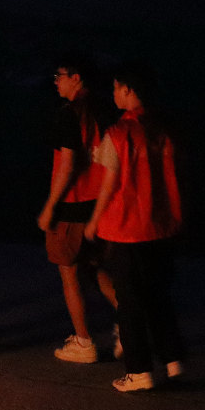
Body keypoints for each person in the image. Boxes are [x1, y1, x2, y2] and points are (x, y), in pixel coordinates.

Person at [85, 61, 185, 392]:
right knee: (157, 294)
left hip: (126, 227)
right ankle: (172, 358)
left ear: (128, 90)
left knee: (128, 301)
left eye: (116, 87)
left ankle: (139, 370)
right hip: (160, 224)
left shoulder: (120, 133)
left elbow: (109, 183)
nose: (113, 93)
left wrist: (94, 220)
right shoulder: (163, 128)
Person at [38, 52, 120, 363]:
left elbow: (68, 163)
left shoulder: (70, 114)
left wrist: (50, 205)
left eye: (59, 76)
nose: (55, 82)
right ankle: (130, 325)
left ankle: (83, 341)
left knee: (69, 274)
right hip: (100, 203)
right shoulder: (105, 109)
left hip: (73, 203)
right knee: (98, 269)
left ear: (76, 78)